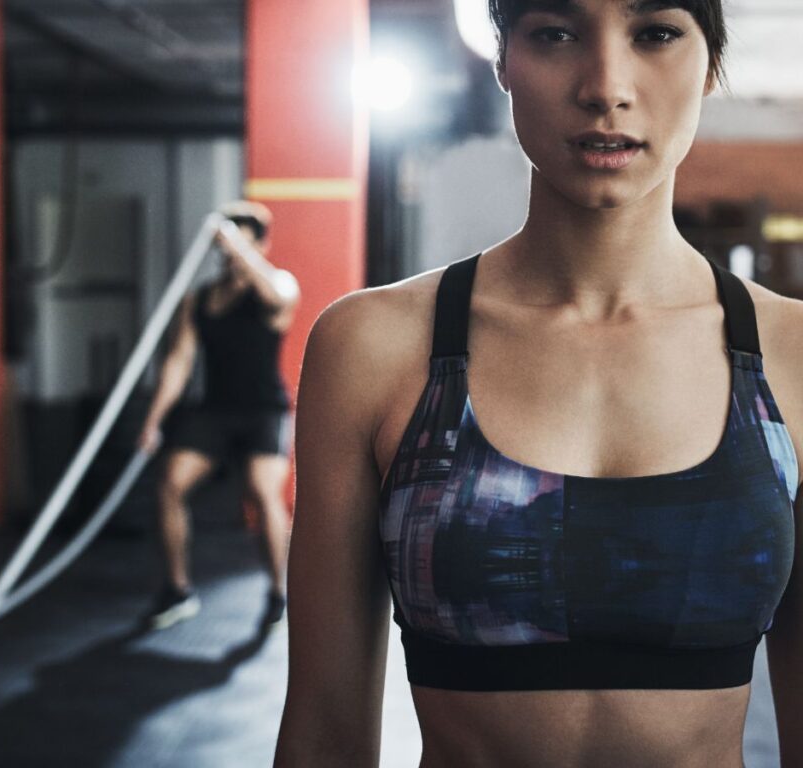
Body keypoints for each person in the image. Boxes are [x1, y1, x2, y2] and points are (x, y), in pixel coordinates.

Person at [275, 1, 803, 766]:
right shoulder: (375, 348)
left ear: (711, 67)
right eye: (556, 33)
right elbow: (324, 728)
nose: (605, 86)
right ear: (502, 64)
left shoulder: (792, 354)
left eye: (655, 33)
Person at [137, 201, 301, 632]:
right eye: (227, 248)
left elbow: (279, 294)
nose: (232, 256)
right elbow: (178, 362)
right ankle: (176, 591)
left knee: (262, 494)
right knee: (169, 485)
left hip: (264, 409)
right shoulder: (200, 300)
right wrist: (153, 420)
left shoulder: (277, 287)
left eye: (243, 246)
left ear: (261, 245)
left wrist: (238, 245)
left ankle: (278, 591)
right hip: (214, 410)